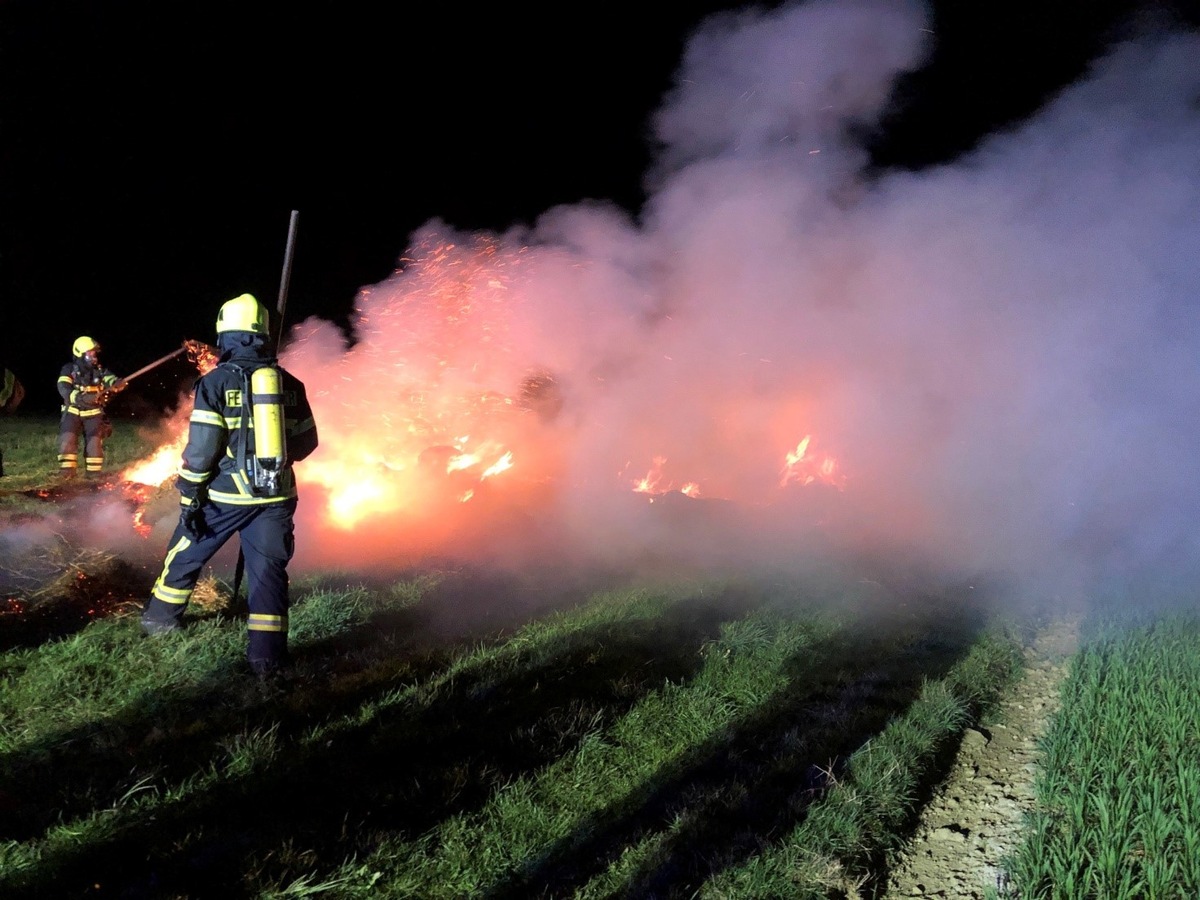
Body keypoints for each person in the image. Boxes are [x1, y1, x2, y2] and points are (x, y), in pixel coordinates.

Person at [140, 293, 319, 678]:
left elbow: (203, 449)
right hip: (277, 497)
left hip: (224, 496)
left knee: (186, 551)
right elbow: (306, 444)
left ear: (226, 334)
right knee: (269, 572)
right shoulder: (290, 384)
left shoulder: (216, 382)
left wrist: (189, 492)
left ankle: (159, 622)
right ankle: (266, 659)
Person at [56, 336, 125, 477]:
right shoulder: (69, 369)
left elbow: (109, 379)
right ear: (80, 353)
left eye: (94, 352)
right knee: (67, 440)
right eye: (90, 352)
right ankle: (66, 475)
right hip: (73, 411)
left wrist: (117, 383)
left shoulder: (99, 370)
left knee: (94, 445)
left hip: (93, 413)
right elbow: (63, 387)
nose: (93, 355)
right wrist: (80, 397)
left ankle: (93, 477)